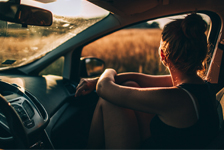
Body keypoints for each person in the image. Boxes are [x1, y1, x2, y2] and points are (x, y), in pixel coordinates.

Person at [75, 13, 219, 149]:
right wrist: (96, 80)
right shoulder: (198, 86)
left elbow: (104, 89)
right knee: (130, 85)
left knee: (110, 101)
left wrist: (109, 71)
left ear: (162, 55)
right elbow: (138, 78)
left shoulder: (176, 99)